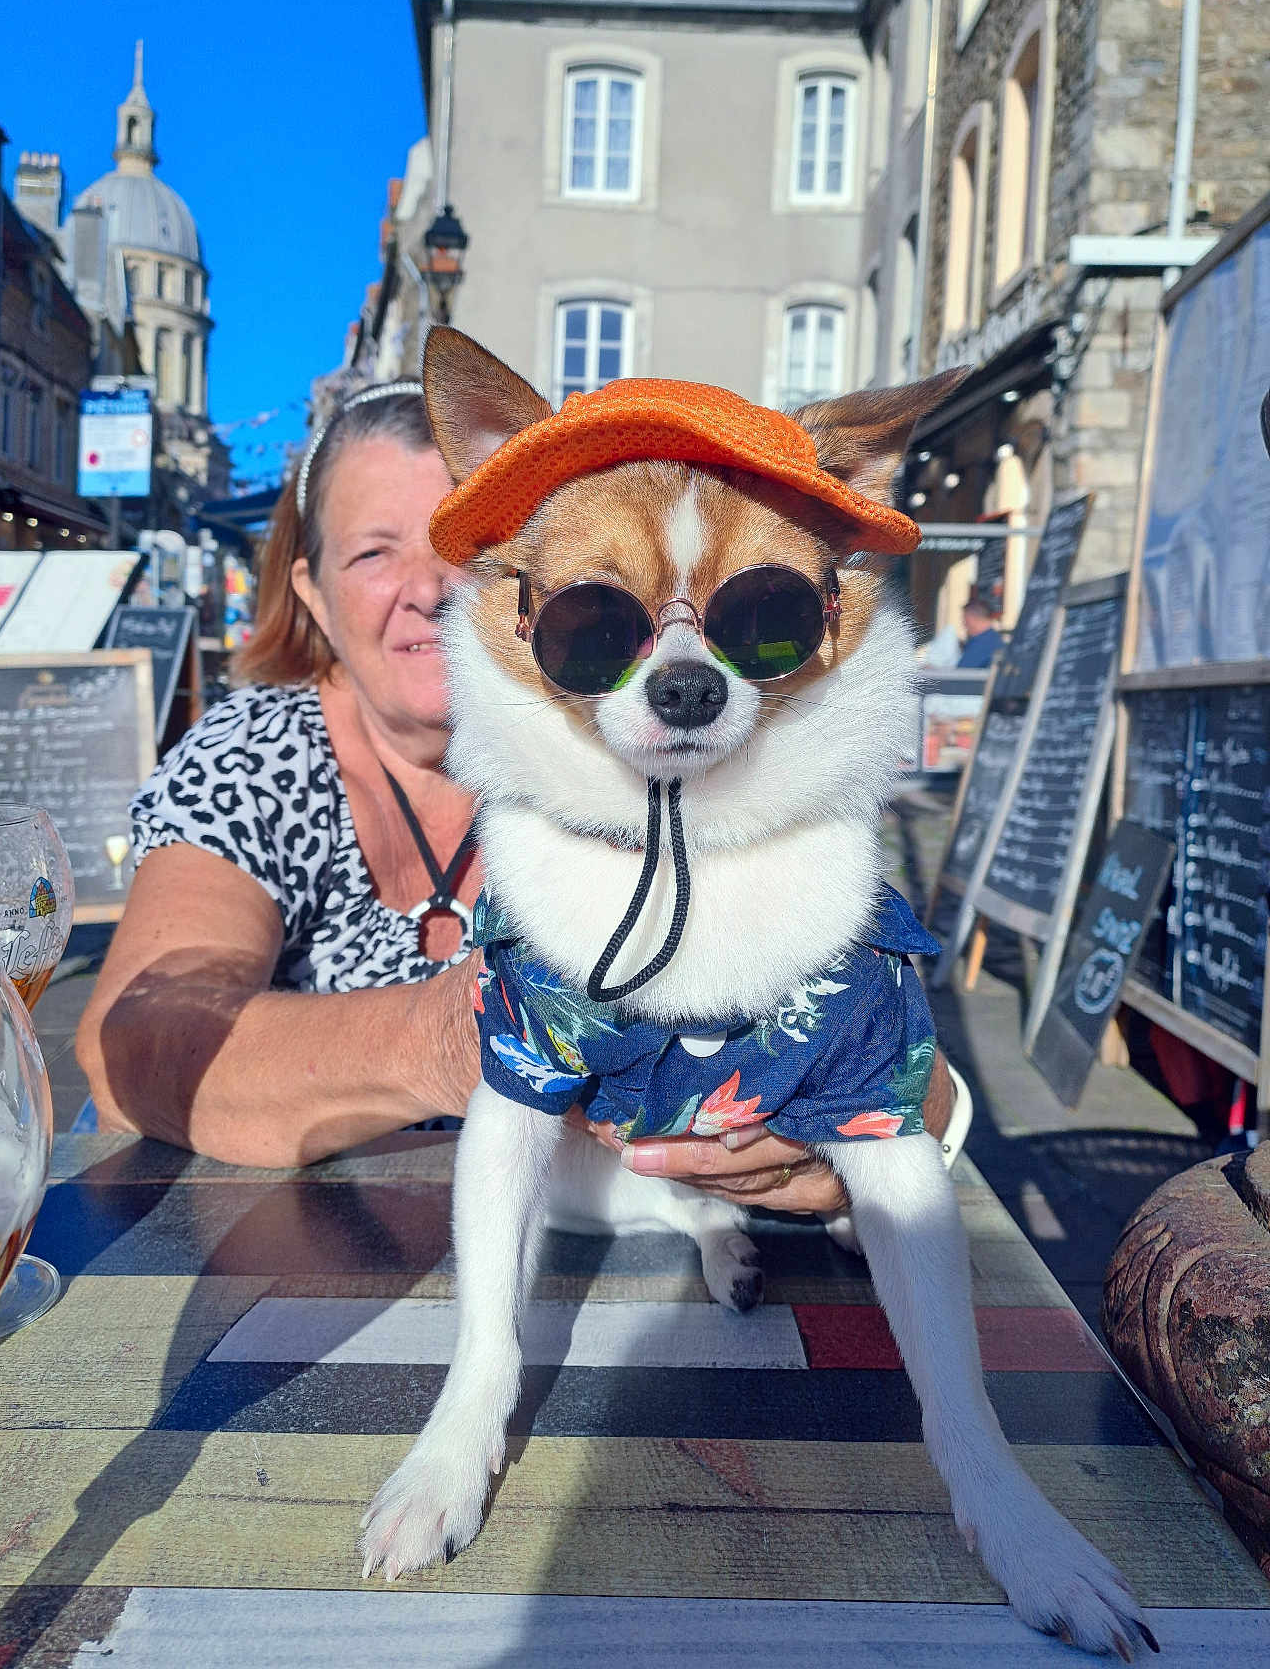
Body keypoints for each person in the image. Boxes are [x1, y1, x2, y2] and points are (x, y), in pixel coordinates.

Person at [77, 380, 955, 1211]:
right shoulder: (257, 758)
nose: (431, 588)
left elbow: (885, 1050)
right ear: (310, 590)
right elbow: (137, 1044)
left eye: (471, 547)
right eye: (374, 552)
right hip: (328, 1248)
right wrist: (460, 1040)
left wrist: (870, 1136)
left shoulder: (707, 747)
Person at [957, 591, 1003, 668]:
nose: (964, 625)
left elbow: (961, 673)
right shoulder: (994, 639)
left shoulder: (983, 643)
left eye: (965, 620)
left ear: (971, 619)